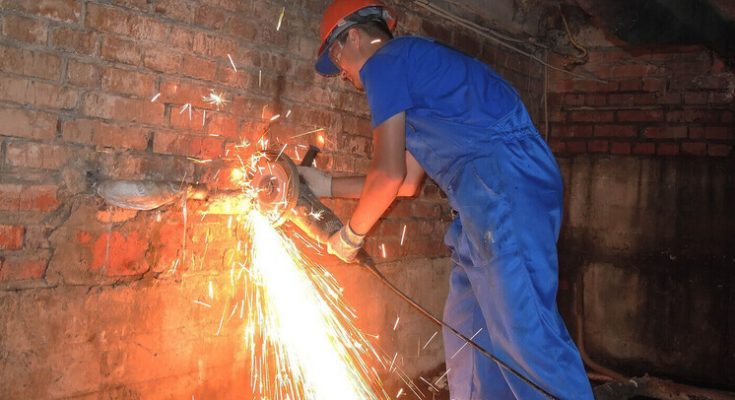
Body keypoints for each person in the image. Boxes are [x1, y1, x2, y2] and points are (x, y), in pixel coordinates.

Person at [297, 0, 595, 398]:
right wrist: (325, 184)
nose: (342, 74)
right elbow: (405, 181)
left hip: (506, 188)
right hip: (481, 203)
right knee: (469, 336)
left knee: (526, 339)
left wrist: (349, 236)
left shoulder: (386, 62)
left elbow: (388, 175)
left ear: (354, 36)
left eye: (336, 57)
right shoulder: (413, 74)